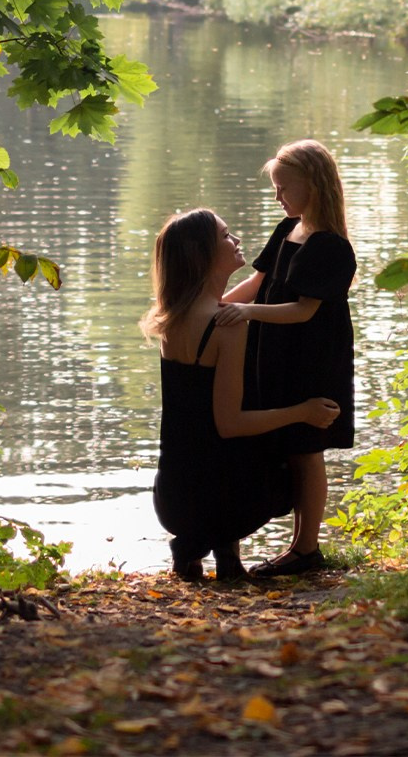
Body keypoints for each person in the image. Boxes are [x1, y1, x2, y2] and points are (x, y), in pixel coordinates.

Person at [145, 208, 339, 582]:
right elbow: (230, 424)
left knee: (213, 450)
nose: (236, 241)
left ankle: (225, 558)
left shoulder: (172, 316)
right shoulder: (225, 325)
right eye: (225, 235)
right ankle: (194, 546)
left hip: (171, 496)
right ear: (201, 253)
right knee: (285, 465)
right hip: (213, 501)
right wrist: (303, 411)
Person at [215, 140, 356, 577]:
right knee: (287, 446)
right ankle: (294, 547)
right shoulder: (286, 229)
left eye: (282, 187)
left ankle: (306, 549)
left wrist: (245, 314)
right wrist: (212, 307)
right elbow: (259, 282)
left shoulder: (330, 246)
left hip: (313, 358)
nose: (277, 197)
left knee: (307, 448)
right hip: (274, 353)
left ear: (312, 184)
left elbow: (304, 310)